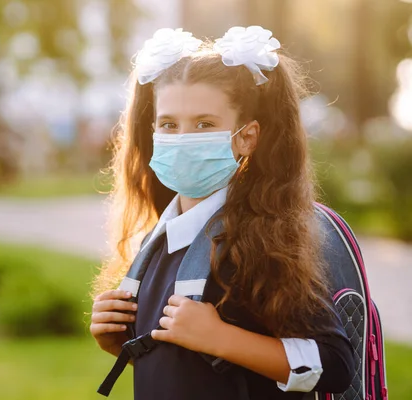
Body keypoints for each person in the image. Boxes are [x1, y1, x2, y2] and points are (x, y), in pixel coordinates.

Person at [90, 26, 355, 399]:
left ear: (246, 136)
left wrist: (220, 337)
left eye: (204, 124)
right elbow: (184, 365)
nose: (182, 139)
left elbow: (335, 365)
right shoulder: (158, 244)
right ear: (153, 132)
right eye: (169, 124)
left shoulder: (261, 243)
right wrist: (117, 341)